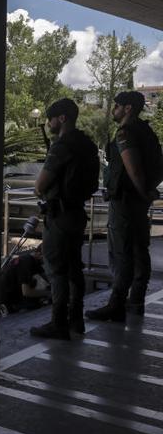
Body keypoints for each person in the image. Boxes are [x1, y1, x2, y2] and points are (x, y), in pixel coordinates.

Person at [87, 91, 162, 322]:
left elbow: (134, 169)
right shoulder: (147, 131)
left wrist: (143, 192)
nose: (114, 109)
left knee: (123, 254)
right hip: (138, 201)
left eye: (117, 105)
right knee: (140, 250)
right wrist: (148, 192)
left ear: (128, 108)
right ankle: (136, 301)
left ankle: (116, 304)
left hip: (126, 201)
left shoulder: (125, 133)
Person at [30, 98, 99, 339]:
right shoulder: (87, 144)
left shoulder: (62, 146)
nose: (48, 123)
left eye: (50, 118)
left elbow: (40, 186)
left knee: (57, 270)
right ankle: (76, 320)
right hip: (77, 212)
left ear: (62, 118)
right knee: (74, 269)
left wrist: (42, 190)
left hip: (59, 216)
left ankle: (58, 322)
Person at [0, 246, 49, 315]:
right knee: (38, 304)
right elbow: (26, 292)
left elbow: (48, 278)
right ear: (39, 254)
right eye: (48, 257)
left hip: (13, 293)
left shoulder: (36, 262)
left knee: (34, 283)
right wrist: (49, 293)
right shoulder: (27, 261)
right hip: (6, 300)